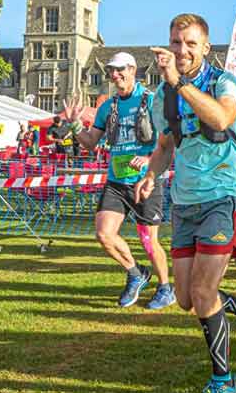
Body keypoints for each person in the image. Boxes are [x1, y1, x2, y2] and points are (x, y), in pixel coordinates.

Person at [136, 13, 236, 393]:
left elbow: (222, 118)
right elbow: (165, 145)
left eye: (191, 43)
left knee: (205, 292)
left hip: (223, 194)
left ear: (206, 47)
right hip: (184, 199)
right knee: (185, 299)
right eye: (176, 42)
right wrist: (151, 175)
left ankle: (223, 380)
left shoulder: (222, 81)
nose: (182, 50)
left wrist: (181, 83)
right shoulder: (163, 95)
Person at [61, 51, 174, 310]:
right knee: (104, 234)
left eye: (120, 69)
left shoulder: (151, 100)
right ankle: (136, 274)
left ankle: (166, 288)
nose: (115, 74)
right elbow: (90, 143)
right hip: (116, 180)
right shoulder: (107, 106)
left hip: (146, 180)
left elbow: (168, 142)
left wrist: (148, 160)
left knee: (148, 241)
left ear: (133, 70)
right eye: (112, 70)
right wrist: (75, 125)